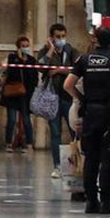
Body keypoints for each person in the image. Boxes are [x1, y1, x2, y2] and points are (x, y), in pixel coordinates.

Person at [63, 27, 110, 214]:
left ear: (95, 40)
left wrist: (81, 98)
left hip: (90, 112)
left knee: (90, 158)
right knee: (108, 158)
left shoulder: (84, 59)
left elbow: (69, 84)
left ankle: (91, 201)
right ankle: (106, 201)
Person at [38, 23, 79, 179]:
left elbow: (77, 68)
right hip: (52, 98)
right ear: (52, 37)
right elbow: (41, 67)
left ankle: (75, 163)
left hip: (69, 98)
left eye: (63, 36)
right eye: (57, 36)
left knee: (74, 132)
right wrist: (49, 50)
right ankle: (57, 166)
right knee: (55, 133)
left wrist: (60, 70)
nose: (61, 39)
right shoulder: (46, 51)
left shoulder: (71, 51)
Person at [1, 36, 39, 153]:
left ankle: (29, 144)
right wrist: (20, 59)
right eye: (23, 46)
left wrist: (26, 61)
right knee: (11, 119)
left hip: (26, 94)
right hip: (13, 93)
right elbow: (11, 73)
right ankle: (8, 143)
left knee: (27, 120)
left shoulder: (32, 60)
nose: (25, 48)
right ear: (18, 48)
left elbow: (34, 78)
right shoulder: (12, 58)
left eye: (27, 46)